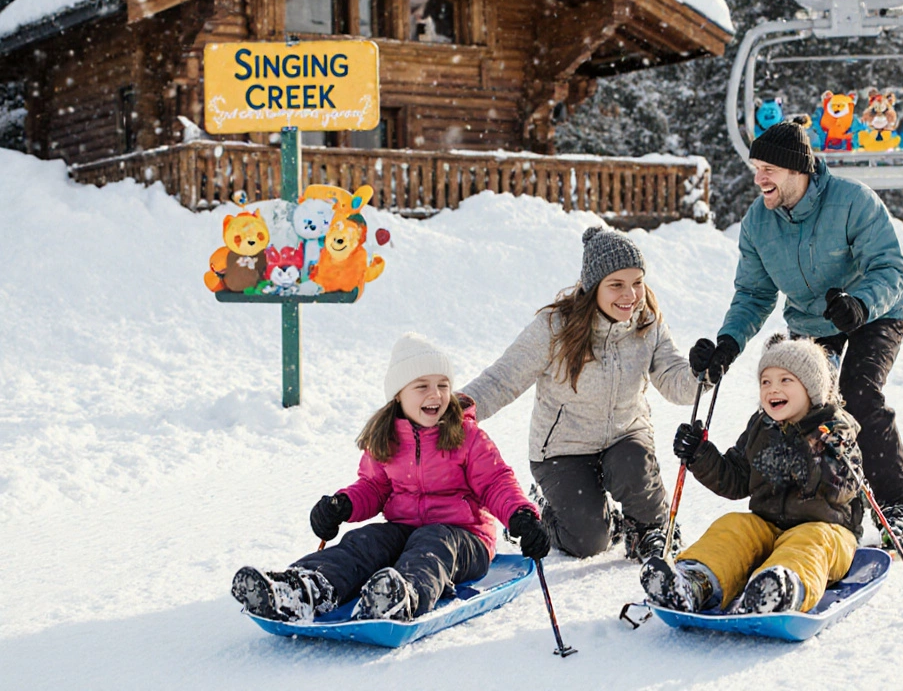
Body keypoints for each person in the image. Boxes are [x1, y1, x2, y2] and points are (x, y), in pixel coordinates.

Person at [688, 121, 903, 547]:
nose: (758, 178)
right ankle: (808, 506)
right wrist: (729, 342)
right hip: (813, 322)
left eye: (768, 169)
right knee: (802, 404)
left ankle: (901, 507)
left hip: (875, 311)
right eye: (755, 167)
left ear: (798, 170)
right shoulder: (759, 222)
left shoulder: (853, 201)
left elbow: (890, 269)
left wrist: (860, 303)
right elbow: (754, 294)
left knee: (858, 392)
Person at [230, 333, 549, 622]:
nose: (435, 394)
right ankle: (302, 589)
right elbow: (372, 487)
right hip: (404, 529)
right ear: (398, 395)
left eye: (442, 385)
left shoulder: (467, 436)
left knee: (432, 542)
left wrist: (520, 516)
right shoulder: (386, 439)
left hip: (464, 539)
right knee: (367, 541)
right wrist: (343, 505)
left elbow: (496, 483)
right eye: (422, 386)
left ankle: (400, 597)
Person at [461, 227, 706, 561]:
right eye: (616, 284)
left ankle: (648, 528)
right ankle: (552, 508)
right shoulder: (555, 327)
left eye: (637, 282)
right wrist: (455, 409)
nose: (630, 295)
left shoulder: (647, 322)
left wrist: (700, 372)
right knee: (588, 542)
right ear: (593, 288)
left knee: (635, 467)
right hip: (563, 450)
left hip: (624, 437)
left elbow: (675, 381)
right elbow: (503, 378)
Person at [640, 335, 864, 614]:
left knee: (809, 542)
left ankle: (782, 590)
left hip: (829, 532)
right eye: (765, 381)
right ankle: (693, 582)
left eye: (785, 380)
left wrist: (816, 449)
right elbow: (736, 478)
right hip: (768, 527)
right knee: (734, 526)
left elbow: (843, 486)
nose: (772, 389)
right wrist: (700, 454)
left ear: (811, 388)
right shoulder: (762, 426)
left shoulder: (834, 428)